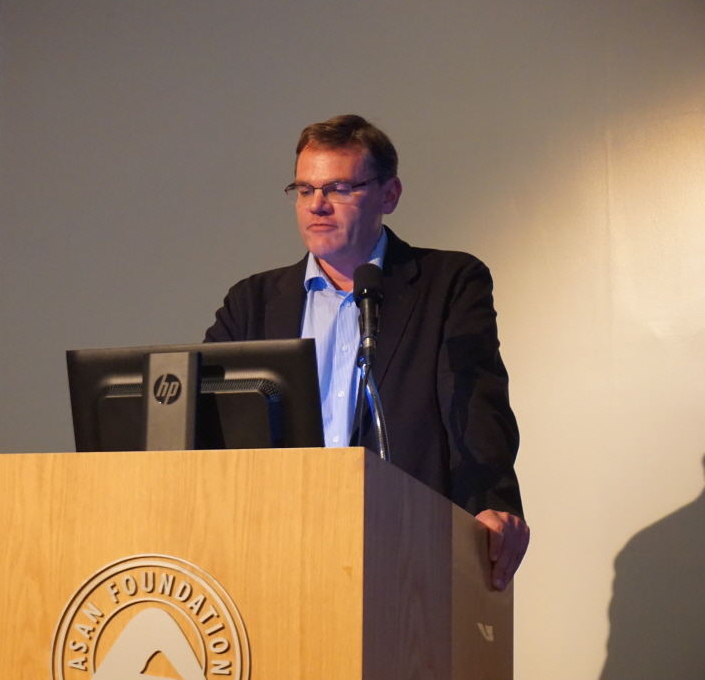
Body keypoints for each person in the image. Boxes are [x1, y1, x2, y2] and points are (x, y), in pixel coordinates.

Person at [204, 114, 529, 590]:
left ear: (389, 195)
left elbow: (476, 405)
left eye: (338, 189)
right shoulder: (252, 302)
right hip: (274, 551)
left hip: (404, 552)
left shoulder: (448, 284)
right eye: (305, 189)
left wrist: (491, 503)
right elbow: (204, 422)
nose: (317, 205)